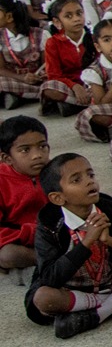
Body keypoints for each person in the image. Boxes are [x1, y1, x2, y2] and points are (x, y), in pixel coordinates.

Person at [27, 152, 112, 338]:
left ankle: (97, 315)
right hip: (75, 288)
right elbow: (49, 277)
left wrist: (111, 241)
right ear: (58, 198)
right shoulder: (49, 225)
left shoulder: (109, 208)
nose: (89, 182)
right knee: (44, 298)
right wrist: (87, 242)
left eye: (90, 175)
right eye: (76, 180)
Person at [0, 114, 48, 281]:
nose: (37, 155)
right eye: (25, 150)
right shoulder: (2, 181)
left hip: (55, 233)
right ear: (7, 158)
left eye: (42, 146)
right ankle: (44, 264)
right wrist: (28, 234)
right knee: (8, 255)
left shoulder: (55, 172)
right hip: (20, 238)